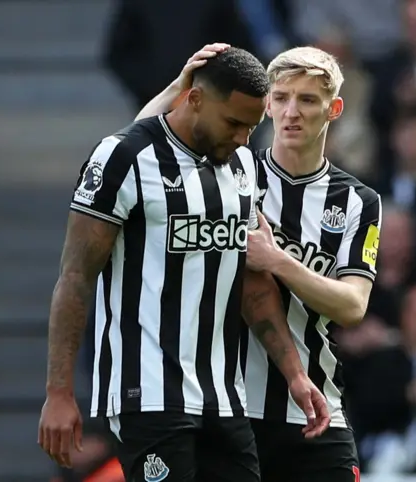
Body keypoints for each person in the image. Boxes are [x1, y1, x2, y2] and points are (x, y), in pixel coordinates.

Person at [38, 45, 330, 482]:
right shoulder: (124, 158)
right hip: (147, 394)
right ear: (194, 99)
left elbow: (251, 284)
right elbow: (76, 278)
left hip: (223, 397)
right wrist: (59, 392)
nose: (242, 138)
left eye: (252, 126)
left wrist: (295, 373)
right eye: (233, 123)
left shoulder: (243, 167)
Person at [139, 44, 381, 482]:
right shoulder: (232, 166)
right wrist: (179, 86)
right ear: (266, 104)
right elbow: (137, 156)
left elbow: (352, 306)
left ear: (334, 109)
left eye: (307, 100)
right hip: (226, 406)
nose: (292, 111)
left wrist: (278, 261)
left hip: (315, 404)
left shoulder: (358, 201)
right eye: (282, 97)